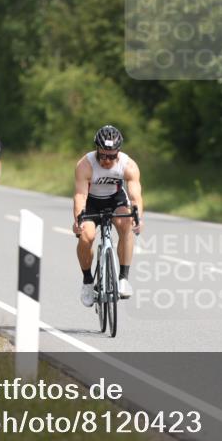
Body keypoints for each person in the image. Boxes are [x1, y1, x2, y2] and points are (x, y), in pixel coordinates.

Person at [72, 125, 144, 307]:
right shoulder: (85, 164)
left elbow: (135, 196)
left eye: (112, 156)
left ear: (118, 152)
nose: (107, 160)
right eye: (103, 155)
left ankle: (123, 278)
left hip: (115, 200)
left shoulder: (128, 165)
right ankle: (88, 282)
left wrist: (138, 218)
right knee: (86, 236)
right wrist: (78, 219)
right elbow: (80, 196)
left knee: (127, 224)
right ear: (97, 149)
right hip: (91, 201)